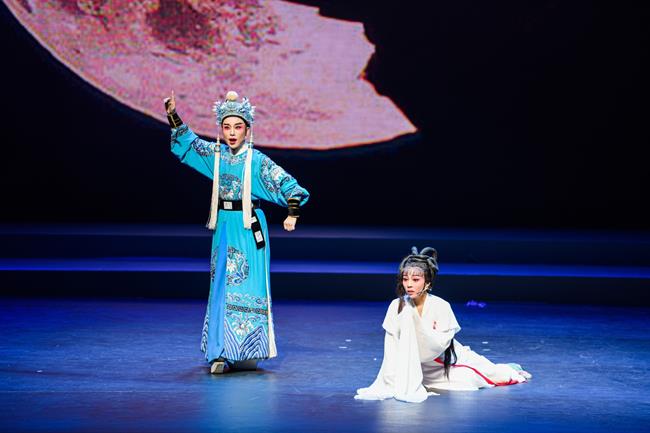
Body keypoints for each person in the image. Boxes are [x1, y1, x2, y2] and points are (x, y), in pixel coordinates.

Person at [164, 90, 309, 373]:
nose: (232, 133)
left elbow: (289, 185)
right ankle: (221, 351)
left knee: (247, 285)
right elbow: (189, 144)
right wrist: (172, 115)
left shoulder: (256, 160)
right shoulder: (216, 156)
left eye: (237, 127)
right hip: (224, 226)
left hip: (247, 226)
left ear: (247, 129)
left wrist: (292, 213)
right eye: (227, 127)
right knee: (221, 286)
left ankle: (247, 350)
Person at [355, 247, 531, 403]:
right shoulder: (397, 306)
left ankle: (510, 369)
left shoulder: (440, 306)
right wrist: (392, 378)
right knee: (465, 380)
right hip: (419, 368)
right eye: (405, 279)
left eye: (415, 279)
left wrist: (416, 324)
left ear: (427, 282)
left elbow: (439, 345)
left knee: (488, 375)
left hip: (449, 360)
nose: (409, 284)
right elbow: (391, 347)